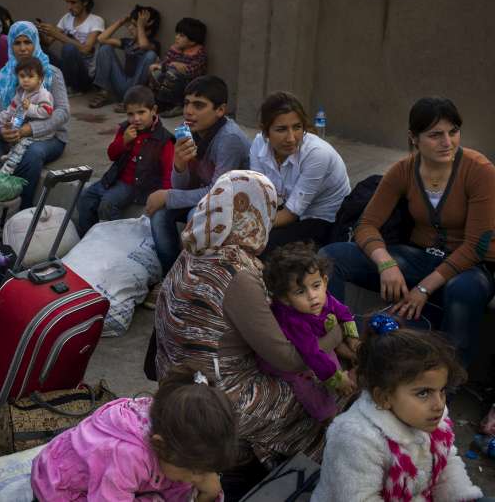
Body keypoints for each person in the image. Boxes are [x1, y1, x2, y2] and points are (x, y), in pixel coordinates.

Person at [155, 170, 350, 478]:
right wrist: (335, 334)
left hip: (176, 384)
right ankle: (315, 468)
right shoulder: (237, 270)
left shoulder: (195, 247)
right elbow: (285, 358)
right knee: (329, 386)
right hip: (218, 398)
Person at [320, 96, 495, 367]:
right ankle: (344, 344)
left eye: (453, 132)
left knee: (464, 291)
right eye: (435, 135)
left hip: (467, 268)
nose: (447, 142)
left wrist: (423, 289)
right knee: (331, 256)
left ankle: (447, 382)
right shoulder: (403, 170)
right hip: (417, 258)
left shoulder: (479, 170)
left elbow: (476, 246)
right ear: (414, 138)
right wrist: (385, 262)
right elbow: (366, 225)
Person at [312, 316, 488, 501]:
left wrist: (463, 496)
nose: (439, 404)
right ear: (384, 397)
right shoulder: (355, 439)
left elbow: (447, 463)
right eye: (423, 393)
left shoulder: (431, 416)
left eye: (442, 390)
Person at [31, 365, 233, 501]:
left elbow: (181, 482)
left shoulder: (171, 427)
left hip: (108, 478)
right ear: (160, 444)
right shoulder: (127, 456)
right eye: (195, 470)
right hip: (61, 487)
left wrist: (209, 494)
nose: (200, 477)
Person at [148, 75, 250, 278]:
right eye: (186, 103)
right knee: (160, 216)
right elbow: (185, 186)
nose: (188, 111)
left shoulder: (229, 139)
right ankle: (171, 277)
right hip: (208, 198)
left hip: (233, 204)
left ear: (220, 110)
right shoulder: (191, 131)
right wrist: (179, 164)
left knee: (194, 216)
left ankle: (194, 279)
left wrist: (168, 196)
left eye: (199, 105)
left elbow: (217, 192)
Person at [0, 21, 69, 210]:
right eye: (17, 43)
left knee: (32, 154)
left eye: (28, 42)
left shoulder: (51, 73)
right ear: (10, 45)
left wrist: (29, 129)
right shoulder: (5, 74)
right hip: (14, 132)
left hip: (49, 137)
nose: (23, 48)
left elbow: (62, 112)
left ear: (36, 43)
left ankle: (20, 208)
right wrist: (1, 131)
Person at [261, 242, 360, 421]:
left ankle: (342, 378)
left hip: (318, 344)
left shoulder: (323, 297)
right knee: (318, 398)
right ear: (285, 299)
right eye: (300, 291)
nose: (312, 295)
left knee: (336, 375)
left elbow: (342, 311)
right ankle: (326, 418)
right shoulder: (293, 320)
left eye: (316, 286)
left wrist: (353, 337)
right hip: (295, 361)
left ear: (325, 281)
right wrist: (335, 378)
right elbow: (311, 354)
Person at [250, 91, 350, 256]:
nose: (291, 138)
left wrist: (248, 226)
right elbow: (258, 194)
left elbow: (291, 213)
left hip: (321, 219)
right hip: (284, 208)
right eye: (281, 129)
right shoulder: (258, 144)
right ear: (265, 131)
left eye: (297, 127)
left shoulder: (317, 154)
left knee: (261, 245)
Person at [77, 85, 174, 235]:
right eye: (131, 114)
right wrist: (124, 141)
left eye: (141, 112)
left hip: (136, 186)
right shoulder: (126, 130)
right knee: (85, 197)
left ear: (153, 110)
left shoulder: (163, 140)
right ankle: (87, 239)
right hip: (115, 178)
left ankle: (113, 241)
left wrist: (165, 197)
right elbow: (112, 154)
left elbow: (169, 172)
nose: (136, 119)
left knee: (108, 204)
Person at [88, 4, 161, 111]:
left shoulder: (153, 45)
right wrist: (120, 22)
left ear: (148, 30)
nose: (130, 28)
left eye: (134, 26)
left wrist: (140, 25)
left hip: (137, 91)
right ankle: (103, 92)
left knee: (150, 55)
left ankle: (131, 100)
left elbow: (144, 46)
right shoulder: (128, 43)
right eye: (131, 25)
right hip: (121, 84)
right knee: (105, 48)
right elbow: (101, 39)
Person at [0, 56, 54, 176]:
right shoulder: (21, 93)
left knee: (22, 145)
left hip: (38, 131)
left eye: (30, 76)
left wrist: (30, 108)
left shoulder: (43, 94)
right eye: (22, 76)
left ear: (40, 78)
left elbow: (47, 111)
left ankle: (10, 166)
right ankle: (11, 155)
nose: (25, 80)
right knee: (12, 136)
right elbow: (11, 110)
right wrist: (0, 117)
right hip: (21, 124)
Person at [38, 0, 104, 94]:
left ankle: (72, 88)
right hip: (67, 72)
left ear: (85, 2)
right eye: (67, 2)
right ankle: (58, 84)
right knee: (38, 48)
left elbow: (86, 49)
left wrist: (57, 34)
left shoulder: (96, 21)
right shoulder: (66, 18)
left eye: (73, 2)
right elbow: (48, 42)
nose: (69, 7)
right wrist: (39, 32)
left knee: (68, 48)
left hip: (85, 76)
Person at [150, 17, 208, 118]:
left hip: (188, 87)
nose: (177, 37)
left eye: (181, 36)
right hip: (170, 83)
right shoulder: (176, 49)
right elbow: (165, 63)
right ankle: (162, 102)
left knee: (172, 73)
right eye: (177, 34)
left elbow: (193, 72)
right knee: (157, 72)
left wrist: (180, 68)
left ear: (192, 41)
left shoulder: (199, 54)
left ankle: (179, 105)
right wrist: (162, 66)